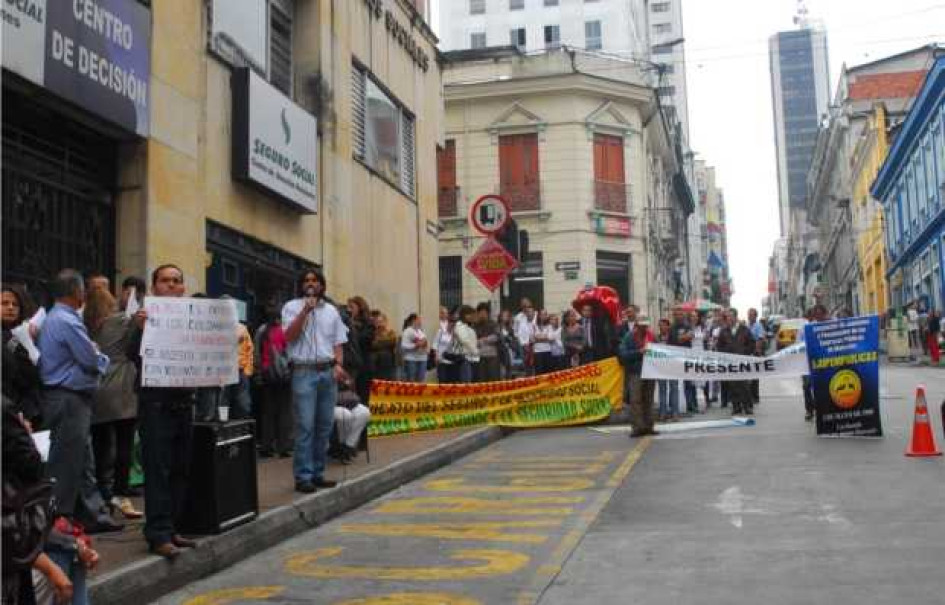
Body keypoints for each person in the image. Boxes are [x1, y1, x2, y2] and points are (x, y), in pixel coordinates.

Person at [124, 264, 199, 559]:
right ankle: (157, 534)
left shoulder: (194, 317)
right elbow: (131, 354)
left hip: (184, 403)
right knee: (158, 470)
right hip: (155, 405)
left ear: (182, 287)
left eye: (176, 281)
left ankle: (172, 528)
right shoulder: (144, 319)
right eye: (165, 281)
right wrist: (141, 330)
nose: (171, 285)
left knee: (180, 469)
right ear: (155, 287)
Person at [37, 269, 115, 535]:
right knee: (67, 460)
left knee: (82, 459)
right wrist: (100, 357)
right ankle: (60, 517)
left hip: (70, 397)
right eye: (83, 289)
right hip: (68, 397)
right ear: (75, 292)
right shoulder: (67, 321)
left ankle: (92, 514)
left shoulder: (56, 317)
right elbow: (90, 359)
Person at [282, 268, 348, 494]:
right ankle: (303, 476)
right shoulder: (291, 307)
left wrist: (339, 365)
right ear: (301, 285)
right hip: (304, 372)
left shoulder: (332, 311)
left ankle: (318, 473)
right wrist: (305, 311)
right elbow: (289, 336)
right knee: (305, 426)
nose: (311, 283)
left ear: (321, 285)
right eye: (306, 280)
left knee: (324, 426)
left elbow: (338, 343)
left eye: (315, 280)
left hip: (328, 373)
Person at [83, 288, 142, 521]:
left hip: (98, 389)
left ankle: (102, 493)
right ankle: (120, 493)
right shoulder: (121, 321)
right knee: (125, 444)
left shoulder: (86, 325)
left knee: (100, 445)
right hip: (123, 389)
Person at [254, 309, 293, 458]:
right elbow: (290, 354)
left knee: (268, 412)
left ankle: (267, 446)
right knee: (285, 411)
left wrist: (258, 374)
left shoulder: (261, 330)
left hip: (267, 375)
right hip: (284, 376)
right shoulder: (285, 330)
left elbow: (256, 354)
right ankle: (284, 447)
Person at [2, 284, 42, 424]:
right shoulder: (8, 339)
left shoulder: (19, 335)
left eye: (15, 304)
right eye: (4, 303)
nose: (11, 307)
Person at [618, 316, 657, 437]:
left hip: (650, 372)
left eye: (646, 325)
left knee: (648, 400)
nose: (645, 328)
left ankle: (648, 426)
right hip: (635, 372)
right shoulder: (629, 337)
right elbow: (622, 355)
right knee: (635, 400)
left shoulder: (651, 336)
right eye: (642, 325)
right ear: (637, 325)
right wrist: (638, 352)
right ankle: (637, 427)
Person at [333, 380, 371, 464]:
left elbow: (350, 385)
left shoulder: (340, 370)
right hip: (330, 404)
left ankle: (348, 446)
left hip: (348, 402)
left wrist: (346, 381)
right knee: (345, 416)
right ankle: (340, 446)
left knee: (364, 412)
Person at [346, 297, 375, 405]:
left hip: (364, 365)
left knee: (364, 395)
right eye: (348, 307)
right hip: (350, 365)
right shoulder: (347, 322)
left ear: (360, 307)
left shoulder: (369, 324)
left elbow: (363, 339)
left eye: (351, 307)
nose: (349, 310)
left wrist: (352, 327)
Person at [668, 307, 697, 414]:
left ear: (683, 315)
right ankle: (673, 408)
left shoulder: (687, 326)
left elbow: (691, 335)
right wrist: (685, 337)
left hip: (686, 358)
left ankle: (690, 406)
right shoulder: (672, 328)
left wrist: (683, 337)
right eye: (677, 314)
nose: (679, 316)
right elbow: (676, 339)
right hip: (674, 359)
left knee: (688, 383)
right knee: (674, 385)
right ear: (674, 316)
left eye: (681, 314)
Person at [655, 318, 679, 421]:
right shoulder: (656, 338)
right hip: (661, 368)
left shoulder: (673, 337)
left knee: (674, 389)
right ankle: (663, 413)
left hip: (672, 367)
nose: (662, 327)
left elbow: (678, 351)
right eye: (660, 325)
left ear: (668, 326)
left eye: (664, 325)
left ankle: (674, 413)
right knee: (662, 390)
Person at [451, 306, 480, 384]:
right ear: (466, 315)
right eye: (472, 315)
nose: (474, 317)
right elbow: (465, 340)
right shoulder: (459, 326)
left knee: (469, 381)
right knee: (466, 382)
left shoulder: (468, 326)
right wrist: (475, 351)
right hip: (464, 358)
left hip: (470, 358)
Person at [369, 311, 399, 382]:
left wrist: (379, 342)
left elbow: (393, 341)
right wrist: (383, 342)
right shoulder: (373, 332)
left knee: (390, 383)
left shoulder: (391, 332)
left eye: (381, 321)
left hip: (389, 363)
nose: (380, 323)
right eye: (378, 321)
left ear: (386, 321)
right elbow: (373, 344)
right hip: (377, 364)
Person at [474, 303, 501, 382]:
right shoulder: (475, 325)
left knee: (493, 380)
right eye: (480, 313)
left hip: (492, 356)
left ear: (488, 313)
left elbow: (496, 337)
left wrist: (483, 339)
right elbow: (473, 340)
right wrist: (481, 341)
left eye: (484, 313)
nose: (482, 315)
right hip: (480, 357)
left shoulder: (493, 324)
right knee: (481, 380)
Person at [400, 313, 428, 383]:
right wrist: (415, 345)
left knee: (421, 380)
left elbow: (425, 343)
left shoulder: (420, 331)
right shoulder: (407, 331)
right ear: (413, 320)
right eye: (419, 319)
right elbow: (403, 345)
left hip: (422, 358)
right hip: (411, 359)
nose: (420, 321)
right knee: (411, 381)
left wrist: (425, 346)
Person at [513, 299, 537, 375]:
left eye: (528, 306)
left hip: (535, 344)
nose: (526, 308)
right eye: (524, 306)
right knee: (526, 365)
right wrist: (522, 343)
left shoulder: (536, 314)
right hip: (523, 345)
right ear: (521, 307)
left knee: (535, 365)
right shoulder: (518, 317)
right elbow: (515, 332)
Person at [747, 308, 765, 406]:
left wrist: (757, 350)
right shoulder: (747, 325)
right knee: (749, 374)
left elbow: (760, 339)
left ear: (755, 316)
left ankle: (755, 396)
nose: (749, 316)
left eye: (751, 315)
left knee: (755, 376)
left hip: (755, 351)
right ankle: (749, 395)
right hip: (748, 351)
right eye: (749, 314)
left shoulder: (758, 326)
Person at [434, 310, 456, 384]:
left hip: (452, 361)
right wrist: (436, 356)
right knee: (442, 381)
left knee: (451, 382)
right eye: (450, 323)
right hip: (441, 360)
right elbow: (435, 344)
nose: (451, 325)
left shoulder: (456, 334)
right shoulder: (441, 332)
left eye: (453, 324)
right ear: (448, 323)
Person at [532, 310, 554, 375]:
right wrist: (545, 337)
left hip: (547, 351)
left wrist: (538, 338)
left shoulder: (549, 326)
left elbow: (551, 338)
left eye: (545, 314)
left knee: (547, 372)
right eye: (542, 314)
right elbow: (532, 339)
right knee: (539, 372)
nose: (544, 316)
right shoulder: (534, 326)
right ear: (539, 315)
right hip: (537, 352)